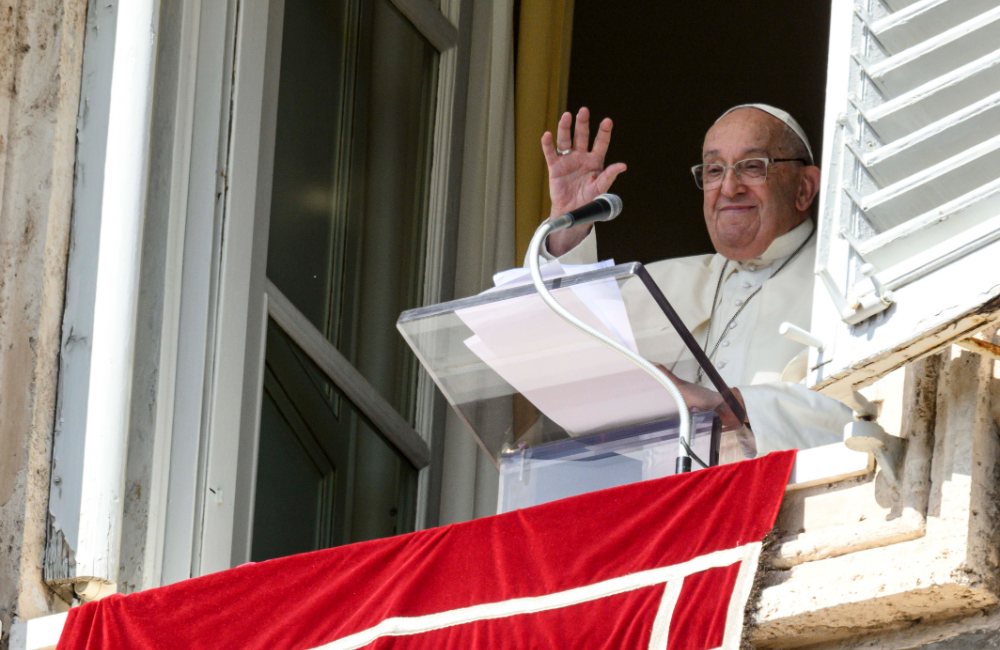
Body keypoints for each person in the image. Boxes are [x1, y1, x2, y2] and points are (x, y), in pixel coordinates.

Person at [531, 104, 854, 458]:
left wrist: (730, 408)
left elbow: (864, 410)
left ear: (804, 188)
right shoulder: (659, 281)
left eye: (751, 167)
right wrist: (568, 230)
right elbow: (558, 356)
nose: (729, 188)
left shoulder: (848, 286)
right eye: (714, 170)